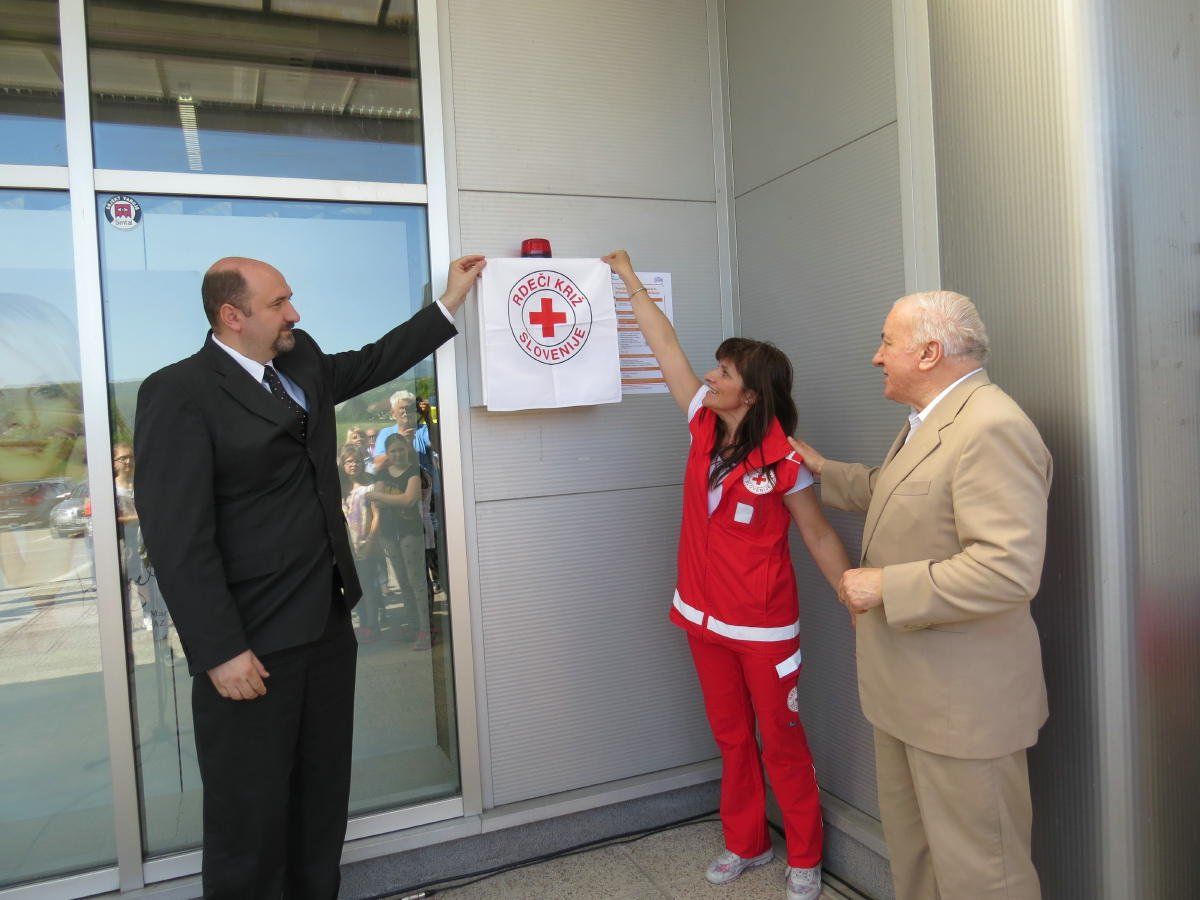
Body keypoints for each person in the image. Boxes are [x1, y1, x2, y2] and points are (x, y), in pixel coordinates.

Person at [133, 253, 485, 898]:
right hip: (250, 641)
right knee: (249, 813)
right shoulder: (179, 392)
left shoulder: (300, 364)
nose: (294, 314)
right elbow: (177, 537)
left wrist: (450, 301)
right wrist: (219, 649)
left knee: (321, 796)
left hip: (325, 625)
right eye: (278, 304)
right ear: (232, 316)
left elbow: (376, 360)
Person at [604, 251, 851, 900]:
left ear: (752, 394)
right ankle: (746, 842)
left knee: (781, 742)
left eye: (724, 372)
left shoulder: (786, 460)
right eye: (714, 368)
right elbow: (665, 347)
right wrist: (628, 278)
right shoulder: (702, 424)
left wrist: (853, 594)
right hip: (702, 616)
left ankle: (805, 854)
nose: (709, 377)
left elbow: (818, 534)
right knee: (732, 737)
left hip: (764, 629)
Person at [791, 291, 1051, 900]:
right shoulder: (933, 420)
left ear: (929, 352)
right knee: (918, 860)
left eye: (887, 342)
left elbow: (1008, 569)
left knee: (983, 876)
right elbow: (901, 490)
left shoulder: (992, 427)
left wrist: (885, 585)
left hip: (962, 710)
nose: (876, 356)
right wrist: (823, 469)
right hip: (909, 696)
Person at [367, 432, 430, 649]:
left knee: (416, 582)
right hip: (389, 533)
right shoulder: (382, 474)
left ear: (407, 449)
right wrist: (393, 499)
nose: (397, 454)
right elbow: (377, 503)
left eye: (401, 449)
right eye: (393, 451)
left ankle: (425, 630)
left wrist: (382, 497)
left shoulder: (414, 471)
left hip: (410, 532)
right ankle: (413, 625)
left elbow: (409, 499)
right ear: (387, 453)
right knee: (403, 582)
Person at [339, 445, 383, 642]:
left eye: (357, 461)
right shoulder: (341, 489)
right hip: (349, 546)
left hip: (366, 544)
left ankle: (373, 625)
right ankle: (363, 623)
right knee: (353, 588)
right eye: (349, 461)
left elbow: (377, 515)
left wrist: (372, 539)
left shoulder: (370, 485)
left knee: (368, 586)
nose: (353, 464)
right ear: (343, 464)